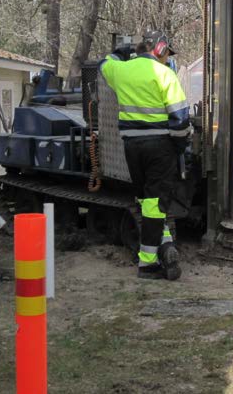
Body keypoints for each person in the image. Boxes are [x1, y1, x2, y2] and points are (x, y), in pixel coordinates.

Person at [99, 31, 191, 280]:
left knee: (145, 199)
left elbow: (104, 63)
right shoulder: (164, 74)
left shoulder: (121, 71)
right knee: (154, 204)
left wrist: (121, 51)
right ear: (159, 49)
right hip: (159, 146)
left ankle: (165, 242)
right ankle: (148, 263)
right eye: (166, 54)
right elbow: (181, 118)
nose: (166, 58)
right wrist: (181, 146)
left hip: (132, 146)